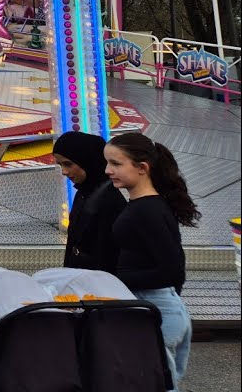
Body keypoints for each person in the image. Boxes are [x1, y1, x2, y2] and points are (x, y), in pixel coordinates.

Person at [105, 132, 200, 391]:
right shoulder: (144, 205)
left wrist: (113, 279)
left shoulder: (149, 210)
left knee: (155, 384)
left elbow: (171, 269)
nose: (108, 170)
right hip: (155, 306)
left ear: (142, 168)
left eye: (116, 163)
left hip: (156, 307)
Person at [53, 131, 126, 271]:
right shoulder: (83, 193)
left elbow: (108, 257)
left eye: (68, 164)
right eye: (60, 165)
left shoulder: (108, 201)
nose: (64, 172)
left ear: (87, 161)